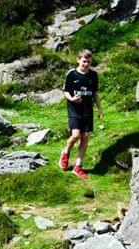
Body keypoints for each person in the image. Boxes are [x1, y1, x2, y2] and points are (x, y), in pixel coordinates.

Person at [59, 49, 103, 180]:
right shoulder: (72, 74)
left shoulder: (93, 75)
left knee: (85, 137)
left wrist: (100, 108)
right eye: (84, 61)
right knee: (76, 135)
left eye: (89, 62)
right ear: (78, 60)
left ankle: (78, 167)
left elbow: (95, 93)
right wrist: (72, 99)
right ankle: (66, 152)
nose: (86, 64)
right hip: (74, 110)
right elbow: (66, 91)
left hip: (87, 111)